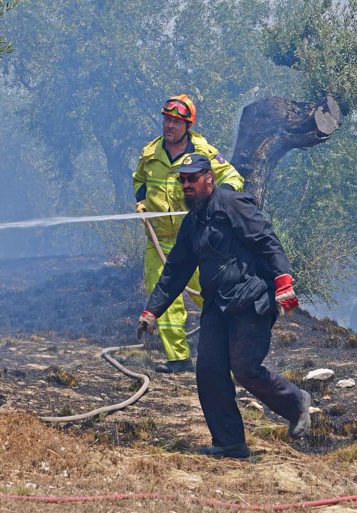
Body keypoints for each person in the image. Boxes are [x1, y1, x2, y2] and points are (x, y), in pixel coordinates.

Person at [136, 154, 311, 458]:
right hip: (217, 306)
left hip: (252, 299)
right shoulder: (192, 222)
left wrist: (284, 282)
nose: (186, 184)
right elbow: (176, 270)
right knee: (208, 370)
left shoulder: (234, 205)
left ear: (209, 178)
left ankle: (296, 403)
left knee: (244, 369)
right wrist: (152, 311)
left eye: (192, 178)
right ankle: (230, 441)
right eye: (182, 180)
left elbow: (267, 241)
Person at [133, 95, 244, 374]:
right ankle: (178, 359)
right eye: (166, 119)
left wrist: (220, 202)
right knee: (164, 298)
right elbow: (139, 181)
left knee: (210, 294)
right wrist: (142, 200)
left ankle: (236, 347)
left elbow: (232, 177)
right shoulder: (150, 153)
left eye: (176, 122)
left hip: (196, 240)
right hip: (158, 240)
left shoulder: (202, 151)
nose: (169, 126)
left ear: (188, 125)